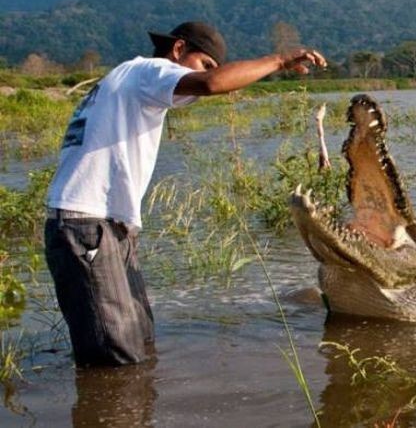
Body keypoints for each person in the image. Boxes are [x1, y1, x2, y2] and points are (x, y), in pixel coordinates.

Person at [44, 21, 327, 367]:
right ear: (178, 50)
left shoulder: (130, 79)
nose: (208, 73)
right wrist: (280, 60)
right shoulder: (150, 71)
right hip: (86, 225)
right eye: (205, 62)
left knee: (142, 342)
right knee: (115, 361)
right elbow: (212, 84)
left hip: (108, 225)